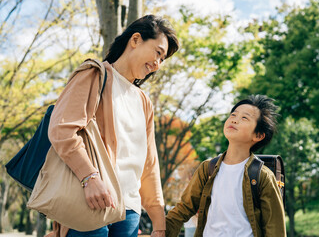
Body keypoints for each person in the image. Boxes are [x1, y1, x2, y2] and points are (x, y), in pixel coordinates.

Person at [47, 15, 179, 237]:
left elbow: (149, 162)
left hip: (129, 211)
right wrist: (89, 178)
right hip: (90, 200)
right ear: (136, 40)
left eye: (163, 59)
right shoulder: (93, 75)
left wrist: (158, 222)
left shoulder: (144, 101)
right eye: (158, 52)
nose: (158, 64)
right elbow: (62, 130)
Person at [165, 95, 286, 237]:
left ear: (258, 135)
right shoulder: (207, 169)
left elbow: (275, 228)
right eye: (233, 115)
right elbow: (184, 209)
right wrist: (161, 231)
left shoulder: (262, 176)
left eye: (244, 118)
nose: (234, 119)